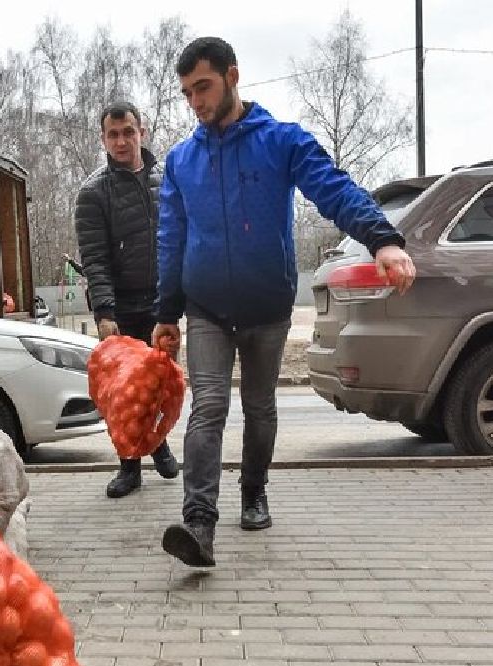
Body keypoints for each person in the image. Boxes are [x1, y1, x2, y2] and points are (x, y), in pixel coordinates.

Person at [152, 37, 417, 567]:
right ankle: (199, 523)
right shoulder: (182, 160)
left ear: (232, 75)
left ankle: (254, 493)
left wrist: (382, 239)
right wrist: (165, 313)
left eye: (203, 87)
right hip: (205, 306)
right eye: (187, 94)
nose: (197, 102)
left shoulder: (282, 141)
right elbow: (170, 237)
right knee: (207, 408)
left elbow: (333, 188)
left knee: (258, 406)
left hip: (267, 306)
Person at [74, 100, 181, 499]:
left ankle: (158, 441)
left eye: (128, 132)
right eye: (113, 135)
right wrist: (104, 312)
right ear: (104, 139)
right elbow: (95, 258)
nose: (122, 141)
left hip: (163, 303)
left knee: (159, 386)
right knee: (123, 394)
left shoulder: (168, 179)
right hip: (120, 308)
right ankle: (129, 468)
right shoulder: (93, 193)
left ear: (142, 132)